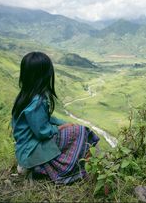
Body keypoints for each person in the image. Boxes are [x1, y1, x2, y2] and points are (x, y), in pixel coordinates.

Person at [11, 51, 99, 184]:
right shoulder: (36, 101)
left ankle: (42, 167)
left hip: (26, 149)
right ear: (43, 76)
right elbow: (42, 132)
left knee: (75, 129)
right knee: (81, 132)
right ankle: (71, 170)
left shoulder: (26, 96)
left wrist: (64, 123)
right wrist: (62, 128)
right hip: (30, 152)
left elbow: (45, 119)